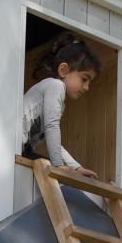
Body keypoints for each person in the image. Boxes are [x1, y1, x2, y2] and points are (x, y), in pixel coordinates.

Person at [19, 36, 101, 180]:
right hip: (13, 146)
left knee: (67, 173)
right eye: (84, 79)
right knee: (60, 175)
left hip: (19, 148)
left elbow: (52, 137)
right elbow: (52, 127)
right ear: (64, 70)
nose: (87, 88)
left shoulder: (56, 94)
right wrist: (57, 165)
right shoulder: (55, 86)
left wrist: (77, 167)